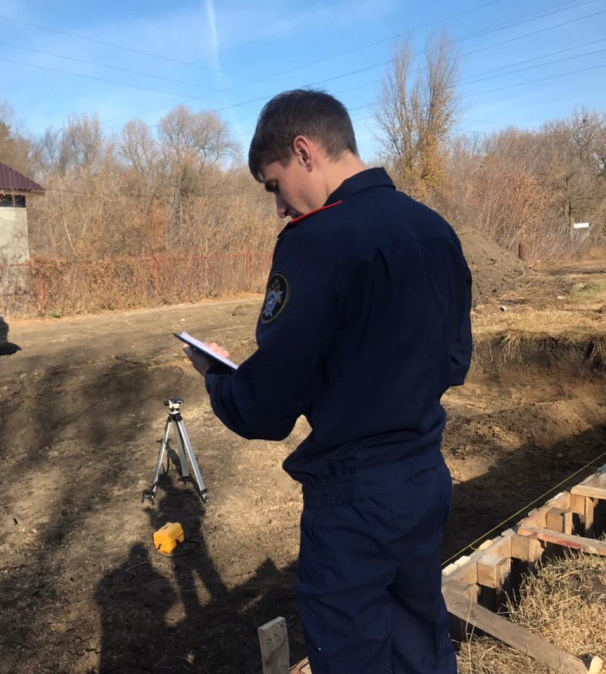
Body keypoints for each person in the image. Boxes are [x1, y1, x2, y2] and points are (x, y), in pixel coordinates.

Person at [183, 89, 472, 674]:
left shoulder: (317, 242)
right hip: (423, 475)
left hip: (355, 499)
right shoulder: (435, 229)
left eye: (273, 184)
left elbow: (266, 409)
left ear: (303, 151)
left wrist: (217, 376)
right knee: (420, 643)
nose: (278, 207)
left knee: (353, 656)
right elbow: (455, 361)